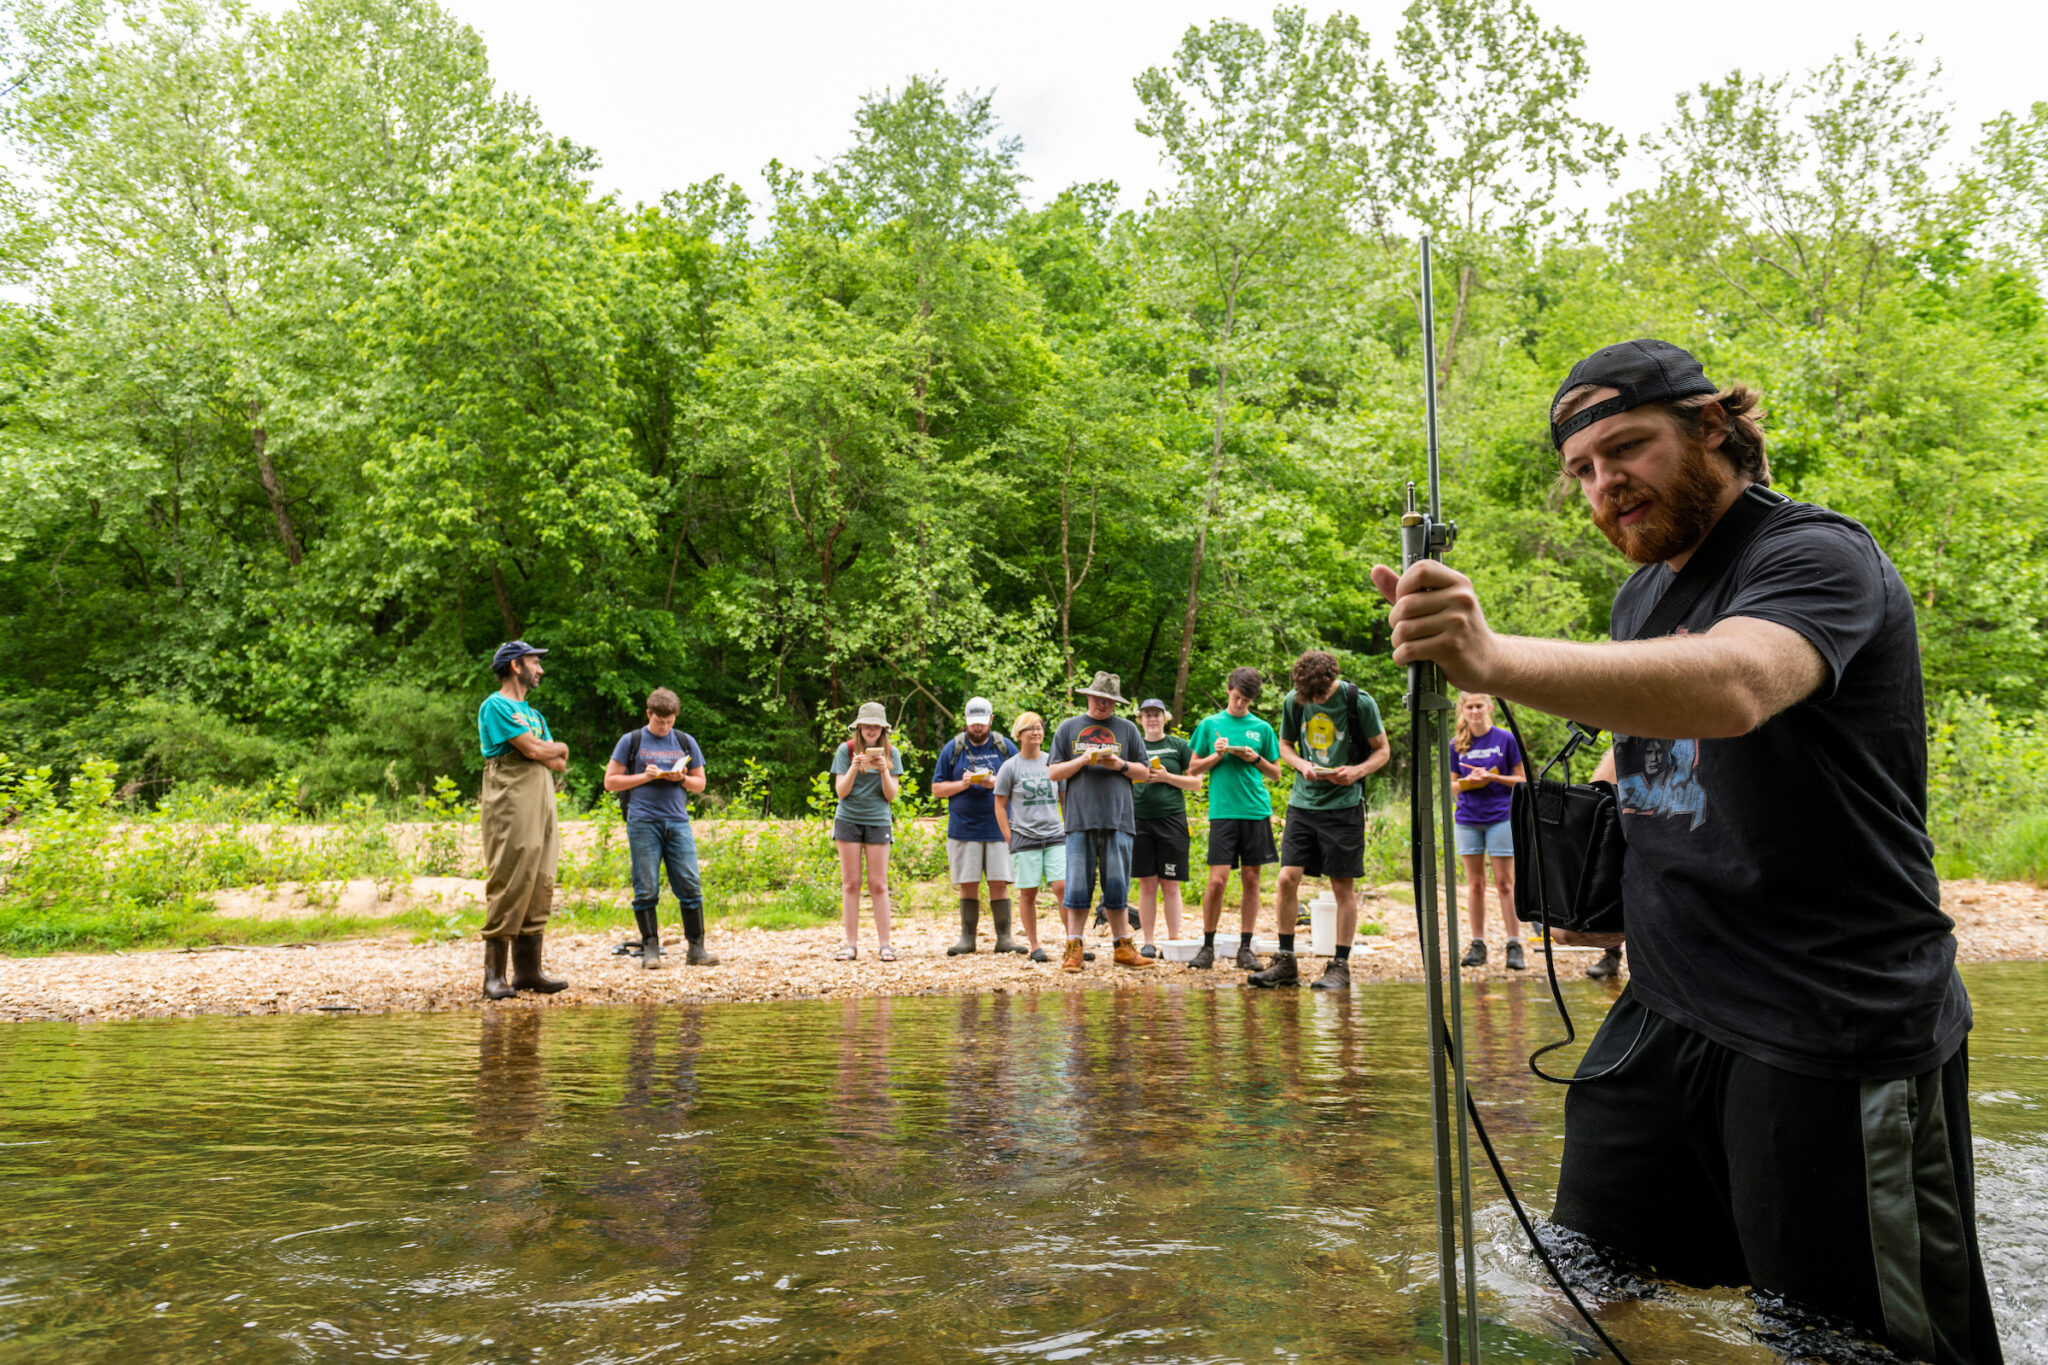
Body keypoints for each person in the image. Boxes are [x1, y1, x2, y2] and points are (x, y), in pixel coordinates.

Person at [1373, 338, 2001, 1364]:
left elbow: (1735, 684)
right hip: (1665, 1009)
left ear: (1712, 426)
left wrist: (1492, 660)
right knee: (1579, 1284)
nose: (1601, 484)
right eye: (1579, 470)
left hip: (1829, 1020)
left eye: (1625, 449)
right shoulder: (1640, 596)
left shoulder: (1814, 556)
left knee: (1852, 1343)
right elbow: (1661, 758)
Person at [476, 641, 570, 1000]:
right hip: (511, 797)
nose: (540, 669)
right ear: (516, 666)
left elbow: (558, 762)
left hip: (542, 796)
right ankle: (493, 977)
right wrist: (551, 748)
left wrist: (550, 750)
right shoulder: (495, 705)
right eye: (535, 662)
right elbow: (534, 750)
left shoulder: (533, 713)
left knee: (540, 875)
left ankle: (528, 972)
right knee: (512, 873)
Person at [1046, 672, 1158, 973]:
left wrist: (1119, 764)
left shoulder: (1128, 730)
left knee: (1117, 886)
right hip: (1079, 820)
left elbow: (1144, 773)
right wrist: (1083, 760)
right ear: (1088, 697)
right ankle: (1074, 948)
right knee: (1078, 887)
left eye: (1109, 701)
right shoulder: (1069, 728)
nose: (1102, 705)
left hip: (1118, 818)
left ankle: (1122, 946)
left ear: (1115, 703)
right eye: (1098, 699)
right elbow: (1053, 772)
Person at [602, 687, 717, 971]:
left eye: (669, 721)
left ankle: (697, 948)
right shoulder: (632, 741)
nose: (664, 726)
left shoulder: (685, 741)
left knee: (690, 883)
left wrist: (680, 779)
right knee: (646, 886)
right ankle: (650, 949)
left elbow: (700, 783)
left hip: (678, 821)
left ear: (675, 717)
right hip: (642, 821)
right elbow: (610, 781)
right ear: (648, 714)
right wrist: (643, 776)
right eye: (659, 721)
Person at [1185, 667, 1284, 973]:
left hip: (1255, 811)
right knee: (1217, 881)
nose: (1241, 703)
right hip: (1223, 812)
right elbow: (1192, 770)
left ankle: (1245, 946)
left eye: (1247, 699)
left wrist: (1254, 758)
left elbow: (1276, 773)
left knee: (1252, 879)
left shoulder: (1262, 728)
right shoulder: (1210, 724)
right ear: (1228, 689)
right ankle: (1207, 945)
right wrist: (1216, 756)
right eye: (1238, 697)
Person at [931, 696, 1023, 955]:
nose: (978, 728)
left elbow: (1021, 781)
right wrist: (964, 784)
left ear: (991, 720)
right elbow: (937, 788)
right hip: (963, 828)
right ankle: (967, 939)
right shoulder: (953, 748)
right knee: (968, 882)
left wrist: (993, 783)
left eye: (982, 723)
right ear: (966, 722)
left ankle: (1004, 938)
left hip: (999, 827)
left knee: (999, 882)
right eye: (973, 724)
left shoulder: (1005, 747)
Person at [1449, 691, 1526, 971]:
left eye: (1479, 705)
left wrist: (1493, 777)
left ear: (1489, 707)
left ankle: (1514, 944)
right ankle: (1478, 944)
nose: (1475, 711)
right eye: (1469, 707)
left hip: (1500, 817)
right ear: (1463, 710)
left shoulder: (1505, 739)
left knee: (1505, 883)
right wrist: (1470, 782)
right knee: (1475, 884)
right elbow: (1451, 786)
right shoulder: (1456, 744)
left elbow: (1522, 779)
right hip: (1468, 818)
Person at [829, 702, 904, 962]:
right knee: (851, 884)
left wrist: (884, 769)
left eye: (876, 726)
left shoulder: (892, 753)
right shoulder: (845, 750)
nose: (871, 730)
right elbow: (841, 791)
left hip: (878, 820)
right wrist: (854, 766)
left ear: (882, 729)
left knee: (878, 884)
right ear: (859, 727)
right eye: (867, 726)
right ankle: (850, 945)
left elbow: (891, 795)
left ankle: (886, 945)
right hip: (848, 819)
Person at [992, 711, 1062, 963]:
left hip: (1055, 834)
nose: (1036, 732)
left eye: (1039, 727)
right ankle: (1035, 946)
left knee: (1062, 888)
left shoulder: (1053, 762)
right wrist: (1009, 837)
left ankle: (1073, 942)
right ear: (1019, 734)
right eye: (1030, 728)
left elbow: (1065, 799)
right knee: (1028, 893)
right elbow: (1000, 805)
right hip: (1024, 837)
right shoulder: (1010, 767)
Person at [1131, 698, 1197, 957]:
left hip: (1172, 819)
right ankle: (1148, 941)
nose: (1152, 719)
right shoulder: (1134, 745)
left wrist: (1167, 777)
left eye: (1157, 714)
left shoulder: (1179, 745)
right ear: (1141, 719)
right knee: (1147, 882)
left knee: (1170, 883)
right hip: (1139, 819)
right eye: (1147, 714)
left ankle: (1173, 941)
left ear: (1165, 718)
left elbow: (1196, 783)